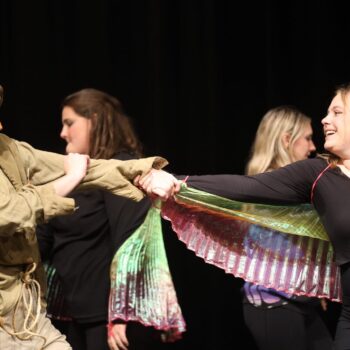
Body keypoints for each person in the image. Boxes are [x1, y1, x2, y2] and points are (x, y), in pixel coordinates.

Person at [137, 82, 350, 350]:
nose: (325, 119)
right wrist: (177, 181)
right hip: (276, 303)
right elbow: (246, 188)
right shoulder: (318, 174)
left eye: (337, 112)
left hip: (300, 303)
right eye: (327, 112)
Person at [0, 84, 168, 349]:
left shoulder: (113, 170)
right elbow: (29, 227)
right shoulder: (71, 176)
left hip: (103, 314)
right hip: (69, 310)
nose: (62, 132)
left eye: (70, 123)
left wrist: (123, 311)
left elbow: (131, 241)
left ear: (95, 121)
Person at [242, 106, 333, 350]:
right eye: (307, 138)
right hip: (273, 304)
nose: (313, 147)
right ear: (286, 140)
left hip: (298, 302)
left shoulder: (286, 182)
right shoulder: (272, 184)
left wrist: (315, 285)